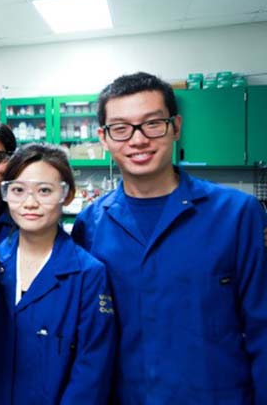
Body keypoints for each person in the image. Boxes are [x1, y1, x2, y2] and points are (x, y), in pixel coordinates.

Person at [72, 72, 267, 404]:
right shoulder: (90, 225)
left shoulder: (237, 214)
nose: (137, 140)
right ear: (104, 138)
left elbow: (263, 328)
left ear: (176, 126)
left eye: (153, 123)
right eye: (120, 128)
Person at [0, 143, 115, 404]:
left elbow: (92, 370)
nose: (30, 203)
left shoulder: (88, 274)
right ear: (6, 194)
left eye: (44, 190)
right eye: (18, 190)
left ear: (67, 195)